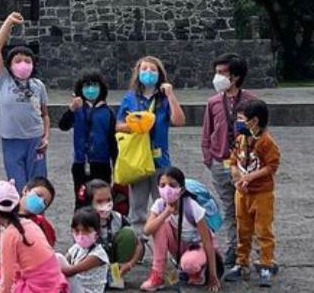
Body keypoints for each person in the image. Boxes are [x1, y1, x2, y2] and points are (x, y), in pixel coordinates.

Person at [116, 56, 185, 232]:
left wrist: (170, 95)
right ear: (137, 73)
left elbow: (178, 121)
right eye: (144, 69)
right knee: (137, 208)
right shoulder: (130, 97)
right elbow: (118, 125)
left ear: (160, 74)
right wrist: (135, 125)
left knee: (162, 204)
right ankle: (138, 247)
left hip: (160, 159)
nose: (148, 73)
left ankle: (163, 245)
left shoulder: (163, 98)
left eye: (153, 70)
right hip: (138, 159)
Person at [201, 53, 254, 269]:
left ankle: (252, 250)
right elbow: (207, 132)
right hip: (220, 162)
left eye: (223, 73)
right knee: (229, 208)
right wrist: (209, 157)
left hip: (244, 165)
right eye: (217, 72)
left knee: (249, 207)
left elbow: (260, 133)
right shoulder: (213, 102)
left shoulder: (251, 101)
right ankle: (233, 247)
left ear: (236, 76)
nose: (218, 77)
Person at [0, 12, 49, 192]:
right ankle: (20, 217)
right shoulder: (3, 81)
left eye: (27, 60)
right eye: (18, 60)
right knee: (17, 186)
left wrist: (46, 136)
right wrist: (8, 23)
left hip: (35, 140)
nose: (23, 64)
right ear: (10, 65)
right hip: (12, 141)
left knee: (37, 186)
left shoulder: (38, 85)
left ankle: (38, 218)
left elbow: (45, 114)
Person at [225, 98, 279, 287]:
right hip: (242, 193)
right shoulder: (241, 139)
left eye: (241, 118)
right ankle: (242, 263)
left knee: (263, 229)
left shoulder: (266, 141)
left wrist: (251, 177)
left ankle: (265, 263)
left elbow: (272, 166)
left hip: (262, 193)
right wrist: (237, 177)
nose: (237, 122)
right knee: (243, 229)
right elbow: (232, 161)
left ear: (254, 121)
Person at [140, 167, 221, 292]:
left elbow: (207, 242)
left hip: (197, 247)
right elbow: (147, 230)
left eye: (172, 185)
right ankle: (157, 275)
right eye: (162, 185)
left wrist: (213, 275)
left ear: (181, 189)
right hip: (179, 245)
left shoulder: (192, 207)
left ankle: (198, 271)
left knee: (189, 263)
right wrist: (166, 213)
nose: (167, 189)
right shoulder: (160, 204)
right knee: (159, 225)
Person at [0, 180, 68, 293]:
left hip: (39, 288)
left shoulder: (8, 235)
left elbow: (7, 282)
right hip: (55, 284)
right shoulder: (30, 224)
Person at [58, 72, 117, 205]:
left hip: (102, 163)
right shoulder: (77, 109)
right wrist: (71, 109)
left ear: (101, 88)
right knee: (81, 200)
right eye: (87, 85)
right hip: (81, 163)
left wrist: (116, 165)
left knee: (101, 200)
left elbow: (113, 142)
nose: (91, 89)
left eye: (95, 85)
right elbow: (63, 126)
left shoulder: (107, 112)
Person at [81, 179, 142, 290]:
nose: (105, 205)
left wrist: (129, 264)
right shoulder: (83, 221)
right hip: (91, 264)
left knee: (128, 233)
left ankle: (115, 275)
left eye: (108, 200)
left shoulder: (119, 218)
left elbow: (138, 244)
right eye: (99, 202)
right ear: (90, 203)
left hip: (113, 262)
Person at [0, 177, 57, 255]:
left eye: (45, 202)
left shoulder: (42, 224)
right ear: (25, 190)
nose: (40, 202)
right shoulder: (3, 210)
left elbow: (48, 252)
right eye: (39, 195)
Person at [59, 208, 108, 293]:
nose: (81, 235)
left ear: (97, 232)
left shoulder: (98, 255)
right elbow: (65, 260)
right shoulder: (76, 248)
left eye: (86, 231)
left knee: (57, 259)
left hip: (87, 291)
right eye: (77, 231)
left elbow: (70, 271)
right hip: (77, 288)